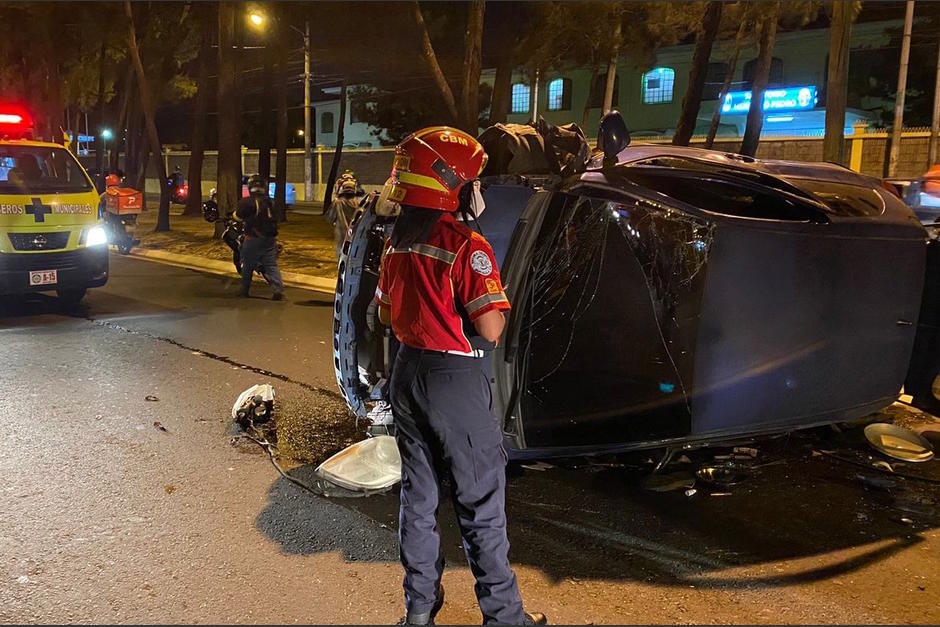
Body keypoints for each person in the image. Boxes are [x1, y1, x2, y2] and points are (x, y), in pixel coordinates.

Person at [374, 127, 545, 626]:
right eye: (474, 180)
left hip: (406, 375)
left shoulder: (395, 244)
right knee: (481, 506)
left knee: (418, 499)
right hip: (454, 379)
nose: (479, 190)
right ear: (451, 184)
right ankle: (504, 618)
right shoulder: (467, 245)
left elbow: (384, 317)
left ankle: (419, 612)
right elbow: (491, 328)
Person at [235, 173, 284, 301]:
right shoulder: (269, 202)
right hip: (270, 239)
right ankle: (277, 289)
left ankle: (244, 290)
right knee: (271, 265)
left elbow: (238, 216)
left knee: (248, 264)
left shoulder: (248, 202)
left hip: (253, 238)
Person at [325, 170, 361, 258]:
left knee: (342, 255)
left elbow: (330, 217)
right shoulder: (358, 202)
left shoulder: (338, 202)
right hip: (354, 233)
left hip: (341, 234)